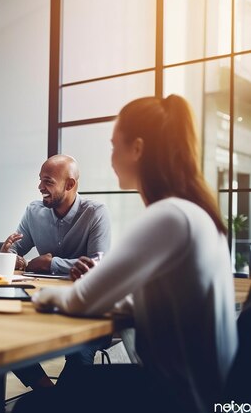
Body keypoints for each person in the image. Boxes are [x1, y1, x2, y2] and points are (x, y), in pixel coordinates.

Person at [14, 95, 238, 413]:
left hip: (182, 399)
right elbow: (149, 298)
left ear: (137, 149)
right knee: (70, 390)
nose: (111, 157)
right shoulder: (191, 213)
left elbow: (81, 300)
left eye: (114, 146)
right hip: (205, 391)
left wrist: (38, 297)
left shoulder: (168, 216)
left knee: (34, 407)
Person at [0, 154, 112, 390]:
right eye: (40, 180)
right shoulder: (34, 211)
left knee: (80, 353)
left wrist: (51, 264)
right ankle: (49, 393)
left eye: (48, 181)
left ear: (70, 184)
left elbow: (98, 265)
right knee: (3, 337)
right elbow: (16, 251)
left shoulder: (95, 213)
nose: (40, 187)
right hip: (43, 302)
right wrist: (10, 255)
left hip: (84, 308)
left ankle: (62, 400)